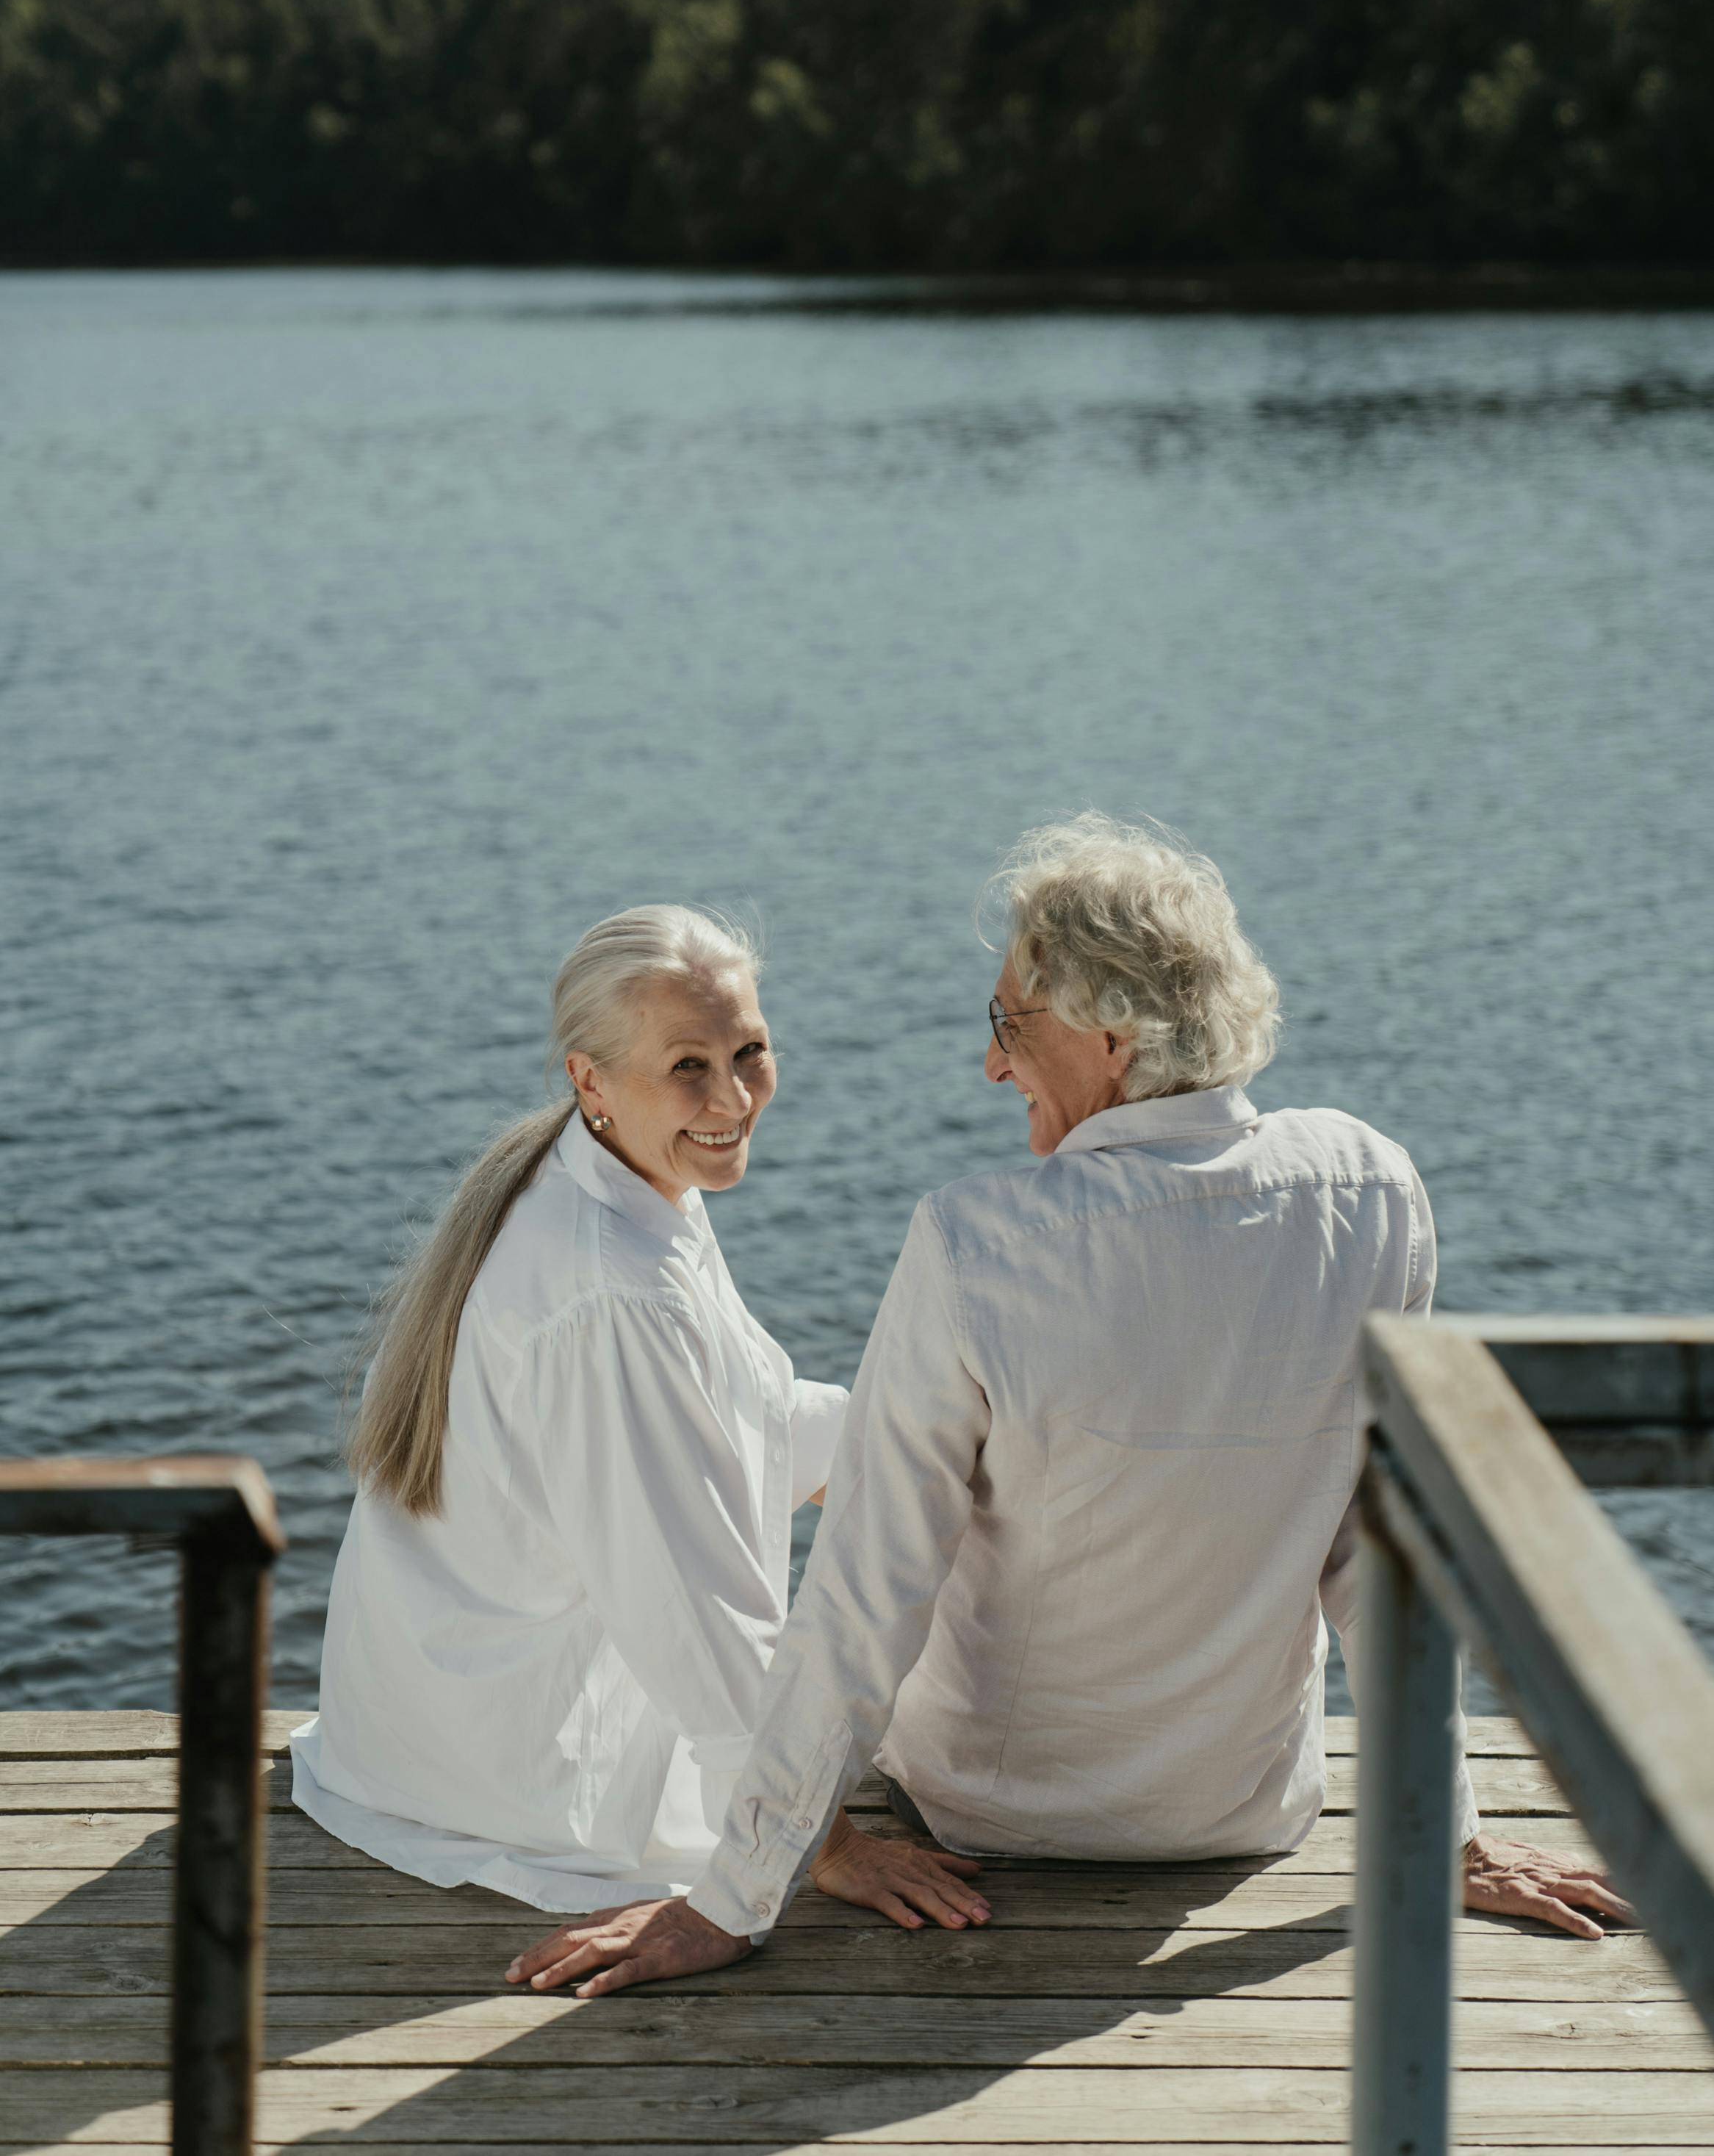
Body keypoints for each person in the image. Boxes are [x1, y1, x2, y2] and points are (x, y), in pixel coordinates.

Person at [505, 818, 1633, 1998]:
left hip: (993, 1816)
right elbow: (1381, 1547)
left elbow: (863, 1595)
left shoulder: (976, 1242)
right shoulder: (1373, 1190)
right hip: (1240, 1812)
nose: (992, 1065)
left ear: (1110, 1033)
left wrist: (734, 1898)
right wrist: (1438, 1835)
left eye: (1008, 1024)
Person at [292, 904, 987, 1930]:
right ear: (590, 1079)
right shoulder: (611, 1290)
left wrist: (959, 1441)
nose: (734, 1097)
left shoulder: (611, 1181)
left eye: (749, 1052)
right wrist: (814, 1842)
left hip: (416, 1729)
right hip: (511, 1774)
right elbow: (694, 1607)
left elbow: (732, 1412)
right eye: (689, 1067)